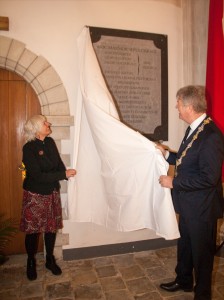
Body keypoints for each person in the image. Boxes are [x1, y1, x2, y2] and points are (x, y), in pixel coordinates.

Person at [157, 85, 224, 300]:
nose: (176, 108)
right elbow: (186, 161)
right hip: (189, 205)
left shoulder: (211, 135)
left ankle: (202, 295)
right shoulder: (195, 128)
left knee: (202, 257)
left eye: (178, 104)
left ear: (188, 106)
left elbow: (209, 178)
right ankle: (184, 280)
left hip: (202, 209)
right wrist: (166, 154)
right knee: (185, 245)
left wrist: (174, 182)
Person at [20, 114, 76, 281]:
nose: (48, 123)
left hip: (51, 192)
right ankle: (31, 261)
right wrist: (62, 174)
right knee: (33, 231)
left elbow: (58, 164)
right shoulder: (28, 148)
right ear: (37, 129)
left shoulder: (50, 142)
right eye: (45, 123)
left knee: (51, 228)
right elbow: (36, 175)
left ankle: (50, 259)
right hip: (35, 195)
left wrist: (66, 175)